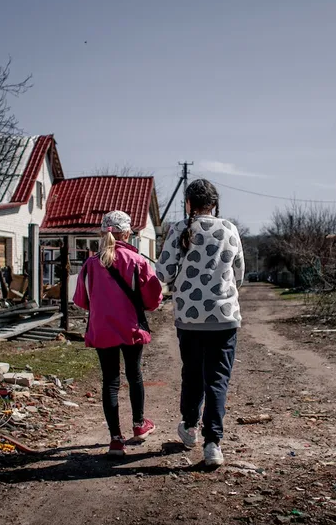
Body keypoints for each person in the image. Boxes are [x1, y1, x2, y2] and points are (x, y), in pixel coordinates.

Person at [155, 179, 245, 467]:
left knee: (192, 374)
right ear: (215, 204)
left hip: (189, 319)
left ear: (189, 203)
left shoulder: (181, 229)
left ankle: (190, 427)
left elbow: (164, 273)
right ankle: (213, 444)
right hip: (224, 317)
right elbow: (239, 272)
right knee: (217, 380)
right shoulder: (229, 229)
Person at [74, 211, 163, 456]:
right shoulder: (137, 261)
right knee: (134, 374)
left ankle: (115, 439)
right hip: (130, 327)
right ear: (126, 233)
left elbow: (81, 299)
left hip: (102, 330)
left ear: (104, 232)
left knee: (110, 381)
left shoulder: (91, 264)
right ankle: (139, 424)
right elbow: (153, 298)